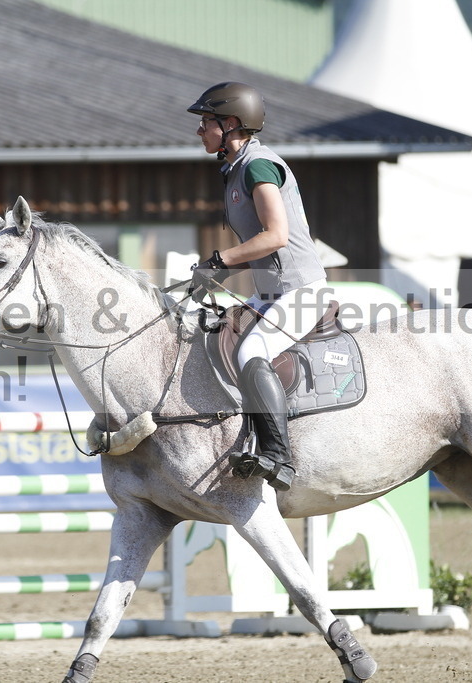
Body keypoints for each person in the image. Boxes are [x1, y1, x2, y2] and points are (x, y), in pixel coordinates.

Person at [187, 81, 331, 491]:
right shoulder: (235, 168)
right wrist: (217, 273)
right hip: (270, 291)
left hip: (299, 290)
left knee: (252, 350)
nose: (199, 130)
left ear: (230, 123)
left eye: (205, 122)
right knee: (216, 333)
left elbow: (276, 236)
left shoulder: (258, 166)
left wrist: (221, 260)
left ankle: (279, 457)